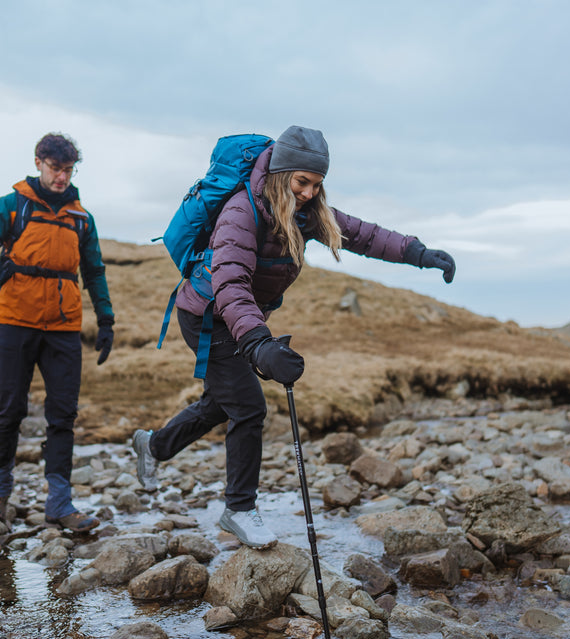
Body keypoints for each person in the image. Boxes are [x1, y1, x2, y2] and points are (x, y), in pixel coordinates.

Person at [132, 125, 455, 549]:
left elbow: (362, 235)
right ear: (282, 174)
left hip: (241, 318)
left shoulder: (308, 210)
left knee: (222, 402)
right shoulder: (240, 213)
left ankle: (153, 446)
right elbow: (230, 285)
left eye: (317, 184)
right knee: (248, 407)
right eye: (302, 182)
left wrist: (417, 254)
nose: (308, 192)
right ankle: (239, 510)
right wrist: (258, 344)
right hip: (210, 316)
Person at [0, 133, 115, 534]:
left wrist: (106, 321)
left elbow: (94, 271)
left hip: (64, 328)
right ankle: (1, 496)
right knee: (8, 410)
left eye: (68, 170)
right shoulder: (12, 206)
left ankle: (60, 504)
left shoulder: (81, 218)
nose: (62, 177)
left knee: (63, 415)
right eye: (55, 168)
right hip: (13, 321)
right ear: (38, 163)